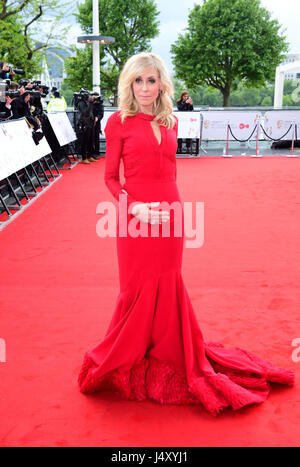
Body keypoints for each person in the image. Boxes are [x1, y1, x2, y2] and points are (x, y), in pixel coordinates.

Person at [77, 52, 295, 416]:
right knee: (136, 287)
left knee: (168, 281)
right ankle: (131, 352)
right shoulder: (118, 123)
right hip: (137, 213)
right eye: (138, 81)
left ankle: (166, 348)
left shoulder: (170, 121)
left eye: (151, 80)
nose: (145, 87)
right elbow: (111, 179)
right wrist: (134, 207)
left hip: (172, 212)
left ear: (161, 83)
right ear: (128, 84)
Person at [77, 95, 98, 164]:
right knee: (85, 142)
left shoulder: (87, 103)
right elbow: (85, 113)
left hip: (90, 124)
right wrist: (91, 103)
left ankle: (89, 156)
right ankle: (84, 157)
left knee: (90, 141)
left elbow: (90, 113)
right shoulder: (81, 103)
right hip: (84, 124)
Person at [91, 92, 104, 157]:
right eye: (94, 96)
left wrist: (97, 118)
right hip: (90, 122)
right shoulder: (90, 103)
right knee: (91, 138)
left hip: (97, 123)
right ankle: (91, 152)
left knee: (96, 138)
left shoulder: (100, 104)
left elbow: (101, 114)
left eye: (96, 96)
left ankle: (96, 152)